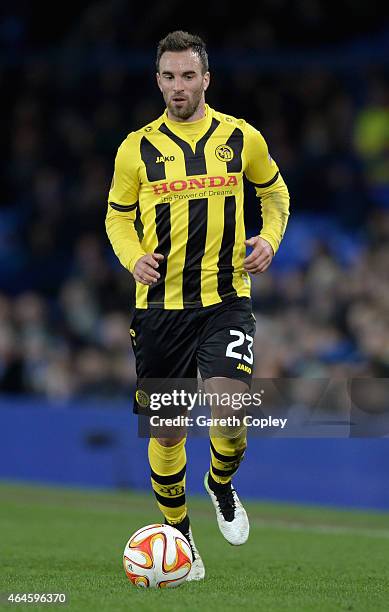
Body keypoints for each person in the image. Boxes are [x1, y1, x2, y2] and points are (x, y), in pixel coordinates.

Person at [106, 30, 290, 581]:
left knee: (230, 414)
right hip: (160, 309)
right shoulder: (134, 149)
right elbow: (117, 216)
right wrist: (132, 257)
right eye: (169, 76)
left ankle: (220, 484)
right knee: (167, 432)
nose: (178, 87)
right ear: (157, 79)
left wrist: (269, 240)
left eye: (189, 76)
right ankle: (179, 536)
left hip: (226, 299)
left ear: (206, 79)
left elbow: (275, 194)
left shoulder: (241, 138)